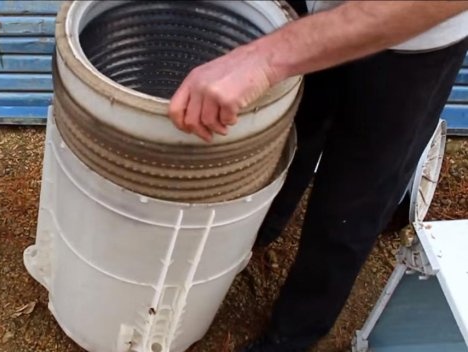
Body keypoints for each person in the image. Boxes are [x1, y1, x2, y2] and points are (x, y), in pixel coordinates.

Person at [167, 1, 468, 351]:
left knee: (353, 202)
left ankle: (293, 333)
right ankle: (256, 236)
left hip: (411, 38)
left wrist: (264, 58)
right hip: (305, 13)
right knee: (285, 140)